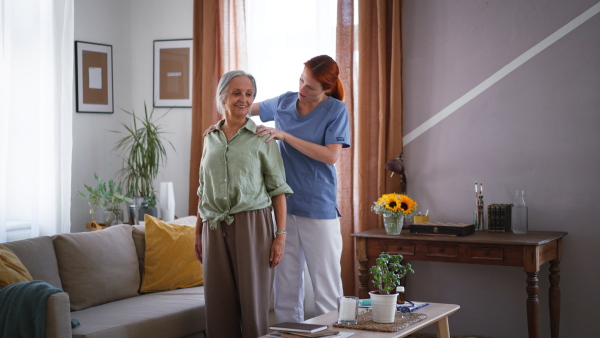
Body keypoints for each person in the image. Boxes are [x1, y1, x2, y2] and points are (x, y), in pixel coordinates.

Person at [193, 70, 293, 338]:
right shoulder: (210, 137)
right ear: (222, 96)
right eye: (237, 93)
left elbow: (278, 190)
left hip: (253, 224)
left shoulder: (262, 137)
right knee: (217, 306)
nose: (244, 99)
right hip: (213, 225)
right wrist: (197, 230)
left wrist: (280, 235)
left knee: (253, 304)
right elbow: (204, 188)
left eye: (249, 94)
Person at [253, 55, 351, 322]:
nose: (302, 89)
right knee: (285, 284)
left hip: (318, 206)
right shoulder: (285, 102)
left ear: (326, 89)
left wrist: (285, 135)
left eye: (310, 87)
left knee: (326, 287)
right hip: (283, 206)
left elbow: (331, 156)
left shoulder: (335, 110)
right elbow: (244, 107)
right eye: (301, 80)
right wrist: (220, 124)